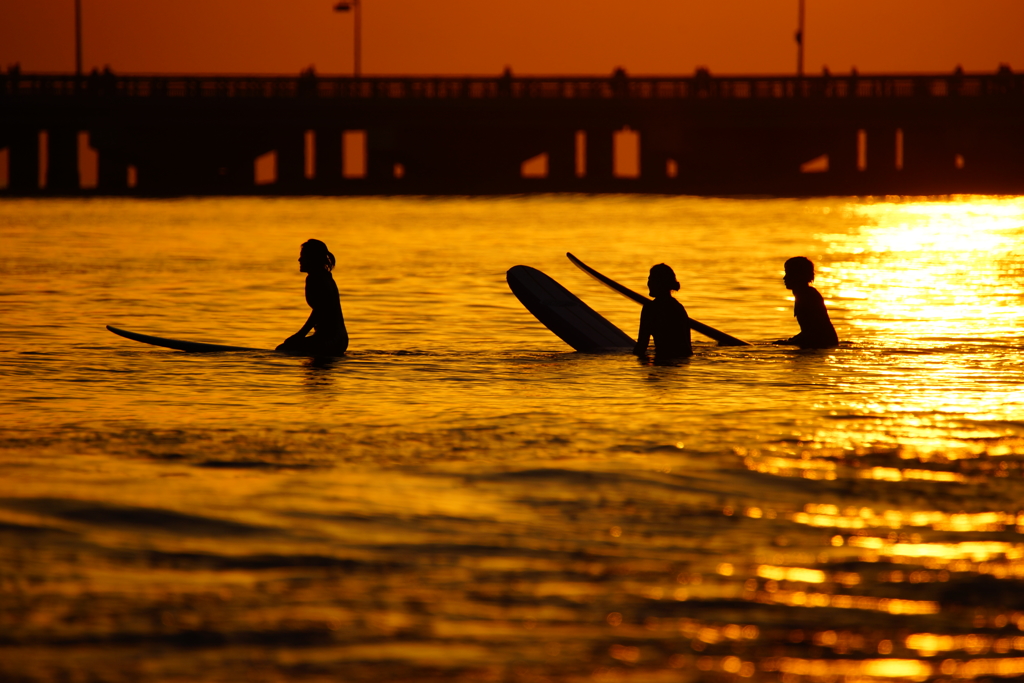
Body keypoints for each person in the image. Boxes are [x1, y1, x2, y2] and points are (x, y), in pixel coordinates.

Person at [277, 239, 349, 356]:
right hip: (338, 339)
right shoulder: (324, 276)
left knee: (283, 350)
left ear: (312, 258)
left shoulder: (317, 278)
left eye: (303, 256)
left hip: (331, 340)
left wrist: (299, 335)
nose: (299, 260)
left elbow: (319, 311)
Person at [775, 256, 838, 349]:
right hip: (822, 343)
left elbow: (816, 332)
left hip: (822, 344)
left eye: (788, 273)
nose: (784, 278)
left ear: (798, 275)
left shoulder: (807, 296)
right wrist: (792, 340)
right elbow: (810, 330)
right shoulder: (805, 294)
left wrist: (790, 343)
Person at [633, 263, 693, 361]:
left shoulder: (651, 308)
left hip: (664, 360)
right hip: (683, 363)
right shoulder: (679, 307)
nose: (648, 283)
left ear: (659, 283)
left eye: (650, 279)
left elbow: (641, 345)